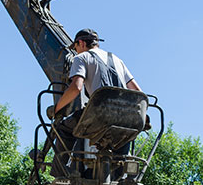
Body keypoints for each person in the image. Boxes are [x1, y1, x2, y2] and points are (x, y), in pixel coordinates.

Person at [50, 28, 142, 174]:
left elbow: (76, 88)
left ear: (80, 43)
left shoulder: (82, 58)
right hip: (127, 116)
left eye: (76, 48)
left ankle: (60, 175)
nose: (76, 51)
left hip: (101, 115)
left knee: (64, 129)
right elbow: (138, 91)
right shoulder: (117, 60)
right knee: (123, 137)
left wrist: (57, 108)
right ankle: (119, 176)